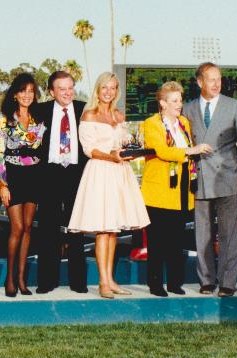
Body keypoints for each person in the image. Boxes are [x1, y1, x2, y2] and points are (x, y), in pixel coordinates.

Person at [67, 72, 150, 299]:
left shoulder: (119, 116)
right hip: (100, 171)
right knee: (103, 230)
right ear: (98, 89)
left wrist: (128, 154)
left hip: (119, 173)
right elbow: (89, 149)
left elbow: (123, 145)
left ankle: (111, 280)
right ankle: (103, 281)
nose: (108, 92)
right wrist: (111, 157)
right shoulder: (89, 115)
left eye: (113, 88)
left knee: (113, 229)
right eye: (105, 87)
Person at [182, 62, 237, 297]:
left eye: (219, 79)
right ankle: (205, 280)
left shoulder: (235, 106)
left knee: (229, 233)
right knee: (201, 232)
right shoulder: (187, 109)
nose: (216, 83)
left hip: (228, 177)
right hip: (200, 178)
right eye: (211, 79)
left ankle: (227, 282)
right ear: (199, 82)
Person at [142, 81, 212, 297]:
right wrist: (191, 150)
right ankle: (155, 284)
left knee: (176, 239)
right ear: (162, 103)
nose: (179, 104)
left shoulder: (184, 123)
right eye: (174, 101)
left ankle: (174, 282)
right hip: (159, 191)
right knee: (157, 240)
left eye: (180, 100)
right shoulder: (151, 124)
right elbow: (162, 151)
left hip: (182, 189)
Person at [33, 71, 89, 294]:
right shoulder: (41, 111)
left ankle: (78, 282)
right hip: (50, 175)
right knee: (48, 229)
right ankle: (47, 281)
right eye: (61, 88)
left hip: (76, 174)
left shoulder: (84, 109)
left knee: (76, 228)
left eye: (70, 87)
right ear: (51, 91)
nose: (67, 92)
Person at [0, 73, 46, 296]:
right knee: (16, 228)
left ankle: (21, 279)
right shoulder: (4, 118)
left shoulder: (39, 118)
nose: (27, 95)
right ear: (15, 94)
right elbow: (0, 154)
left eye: (31, 91)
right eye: (23, 91)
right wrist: (2, 185)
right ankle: (9, 279)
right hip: (13, 176)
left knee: (28, 228)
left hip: (35, 177)